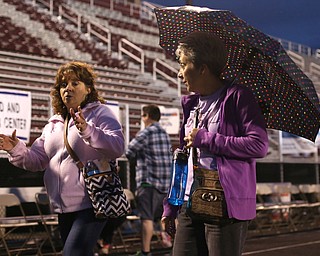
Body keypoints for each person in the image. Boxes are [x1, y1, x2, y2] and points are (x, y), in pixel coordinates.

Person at [0, 61, 125, 255]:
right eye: (63, 85)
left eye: (75, 83)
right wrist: (15, 148)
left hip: (92, 203)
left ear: (88, 89)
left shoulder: (101, 113)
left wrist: (88, 130)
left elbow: (117, 147)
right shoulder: (53, 124)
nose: (68, 88)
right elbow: (38, 160)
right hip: (62, 208)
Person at [161, 31, 269, 256]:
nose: (180, 73)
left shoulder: (238, 96)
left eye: (183, 65)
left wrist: (207, 139)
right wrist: (171, 204)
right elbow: (184, 157)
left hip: (225, 205)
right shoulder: (191, 104)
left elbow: (259, 145)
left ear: (203, 67)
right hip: (190, 202)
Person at [125, 104, 172, 256]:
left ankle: (145, 251)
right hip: (165, 184)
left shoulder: (145, 133)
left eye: (143, 116)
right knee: (165, 216)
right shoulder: (165, 134)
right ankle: (172, 244)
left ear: (147, 116)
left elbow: (129, 152)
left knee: (146, 218)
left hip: (148, 182)